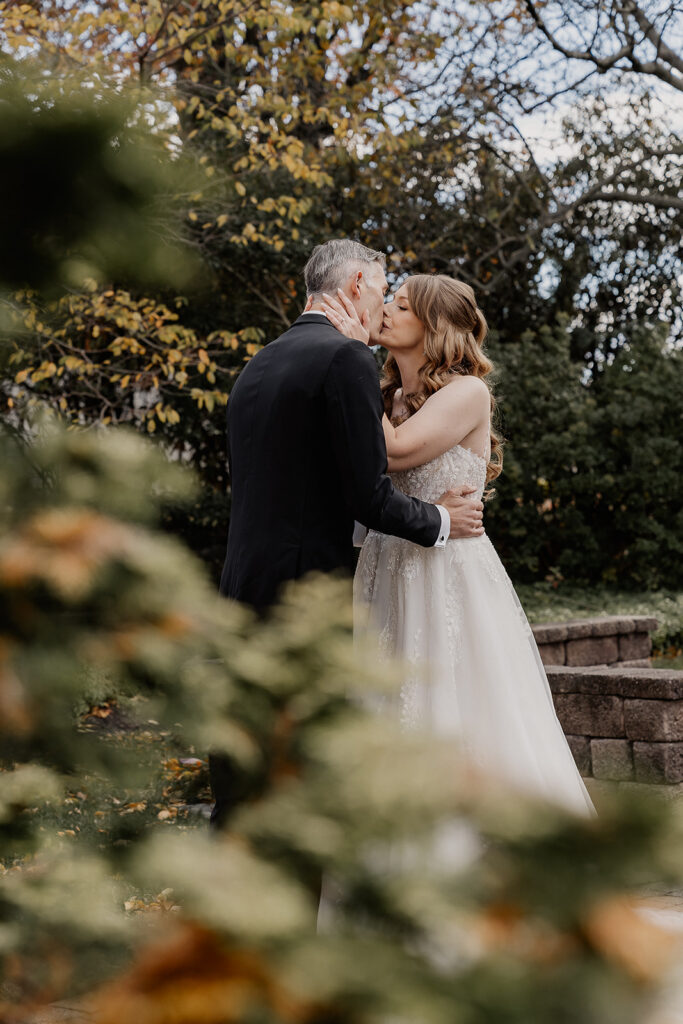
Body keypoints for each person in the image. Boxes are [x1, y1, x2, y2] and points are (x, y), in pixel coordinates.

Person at [210, 241, 484, 828]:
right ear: (358, 282)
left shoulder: (260, 363)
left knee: (244, 759)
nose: (383, 307)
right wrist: (440, 519)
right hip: (308, 590)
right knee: (300, 760)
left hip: (243, 584)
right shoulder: (345, 360)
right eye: (384, 291)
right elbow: (367, 493)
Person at [320, 274, 595, 817]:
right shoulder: (386, 396)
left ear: (435, 325)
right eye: (390, 303)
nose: (387, 312)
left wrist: (349, 352)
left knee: (459, 702)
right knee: (386, 702)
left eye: (402, 306)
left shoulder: (468, 392)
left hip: (446, 569)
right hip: (384, 565)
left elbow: (393, 452)